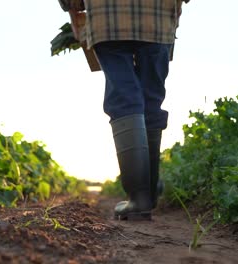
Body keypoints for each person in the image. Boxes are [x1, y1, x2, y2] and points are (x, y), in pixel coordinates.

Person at [69, 0, 190, 220]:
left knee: (124, 97)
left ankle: (139, 197)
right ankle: (149, 193)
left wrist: (72, 9)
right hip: (159, 16)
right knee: (151, 99)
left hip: (108, 16)